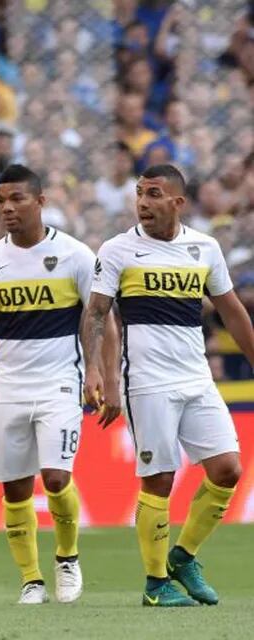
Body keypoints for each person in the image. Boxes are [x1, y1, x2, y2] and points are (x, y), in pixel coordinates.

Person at [81, 164, 254, 607]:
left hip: (196, 376)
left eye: (153, 194)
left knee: (228, 469)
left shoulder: (205, 248)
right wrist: (97, 373)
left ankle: (183, 555)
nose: (142, 202)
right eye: (139, 192)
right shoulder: (118, 250)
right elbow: (98, 313)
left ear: (178, 202)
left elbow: (231, 311)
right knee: (159, 478)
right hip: (148, 381)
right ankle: (156, 584)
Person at [0, 164, 122, 605]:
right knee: (15, 487)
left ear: (41, 201)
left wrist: (103, 375)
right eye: (1, 201)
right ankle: (31, 579)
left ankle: (66, 558)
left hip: (60, 382)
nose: (7, 208)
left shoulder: (76, 255)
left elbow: (103, 320)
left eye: (17, 200)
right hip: (7, 385)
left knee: (56, 475)